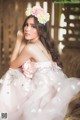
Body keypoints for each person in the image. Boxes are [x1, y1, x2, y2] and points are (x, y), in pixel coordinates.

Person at [0, 6, 80, 120]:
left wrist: (18, 41)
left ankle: (4, 115)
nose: (27, 29)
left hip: (44, 90)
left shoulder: (30, 48)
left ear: (40, 29)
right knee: (16, 75)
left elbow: (12, 64)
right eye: (26, 25)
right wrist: (22, 40)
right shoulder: (42, 43)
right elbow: (21, 56)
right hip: (53, 83)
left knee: (10, 75)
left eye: (33, 26)